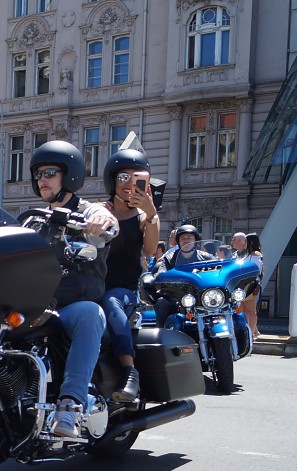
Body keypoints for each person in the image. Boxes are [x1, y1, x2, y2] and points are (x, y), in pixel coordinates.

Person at [28, 140, 119, 437]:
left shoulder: (86, 212)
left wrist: (101, 221)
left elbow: (107, 222)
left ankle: (70, 403)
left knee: (90, 313)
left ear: (70, 175)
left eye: (49, 173)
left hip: (70, 307)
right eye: (38, 174)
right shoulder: (34, 220)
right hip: (35, 306)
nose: (42, 180)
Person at [99, 149, 160, 403]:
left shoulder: (144, 216)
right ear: (112, 180)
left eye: (137, 178)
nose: (128, 183)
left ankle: (129, 372)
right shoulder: (99, 211)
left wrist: (152, 214)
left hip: (124, 290)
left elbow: (150, 250)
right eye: (123, 177)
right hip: (92, 287)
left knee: (111, 301)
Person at [152, 222, 215, 322]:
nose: (186, 241)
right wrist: (162, 276)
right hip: (176, 297)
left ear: (195, 240)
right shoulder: (169, 258)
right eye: (182, 238)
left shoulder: (206, 258)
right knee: (161, 303)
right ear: (178, 241)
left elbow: (218, 271)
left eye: (189, 238)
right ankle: (163, 330)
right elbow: (160, 273)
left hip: (202, 297)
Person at [242, 233, 264, 338]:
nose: (244, 243)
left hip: (251, 284)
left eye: (246, 241)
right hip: (245, 284)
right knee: (245, 310)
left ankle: (251, 334)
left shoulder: (255, 254)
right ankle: (250, 331)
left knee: (251, 310)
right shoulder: (250, 254)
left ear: (250, 242)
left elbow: (256, 269)